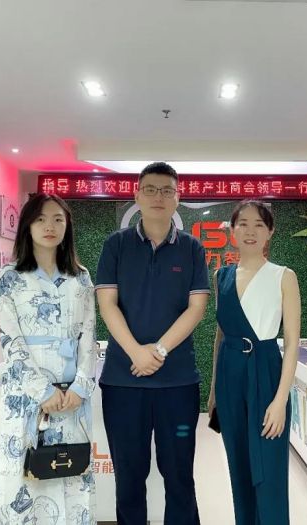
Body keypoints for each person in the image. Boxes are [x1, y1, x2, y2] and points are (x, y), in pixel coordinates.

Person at [95, 162, 209, 525]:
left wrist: (157, 351)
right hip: (123, 382)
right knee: (129, 477)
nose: (158, 197)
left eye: (166, 190)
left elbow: (196, 309)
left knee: (179, 475)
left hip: (177, 384)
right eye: (150, 189)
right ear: (137, 195)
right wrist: (136, 352)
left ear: (178, 197)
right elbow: (107, 304)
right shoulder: (116, 245)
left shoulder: (191, 248)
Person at [0, 193, 97, 525]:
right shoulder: (9, 279)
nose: (50, 226)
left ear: (67, 227)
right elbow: (11, 341)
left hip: (71, 399)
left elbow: (89, 337)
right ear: (27, 225)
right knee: (23, 481)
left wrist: (80, 387)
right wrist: (42, 391)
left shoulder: (81, 278)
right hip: (27, 398)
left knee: (70, 473)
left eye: (58, 219)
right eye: (40, 219)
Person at [208, 200, 301, 525]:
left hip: (266, 371)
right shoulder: (221, 276)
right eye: (243, 224)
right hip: (230, 374)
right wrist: (214, 390)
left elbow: (292, 343)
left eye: (259, 224)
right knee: (239, 465)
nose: (250, 231)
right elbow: (220, 335)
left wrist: (280, 400)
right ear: (232, 231)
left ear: (270, 232)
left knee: (269, 468)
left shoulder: (284, 276)